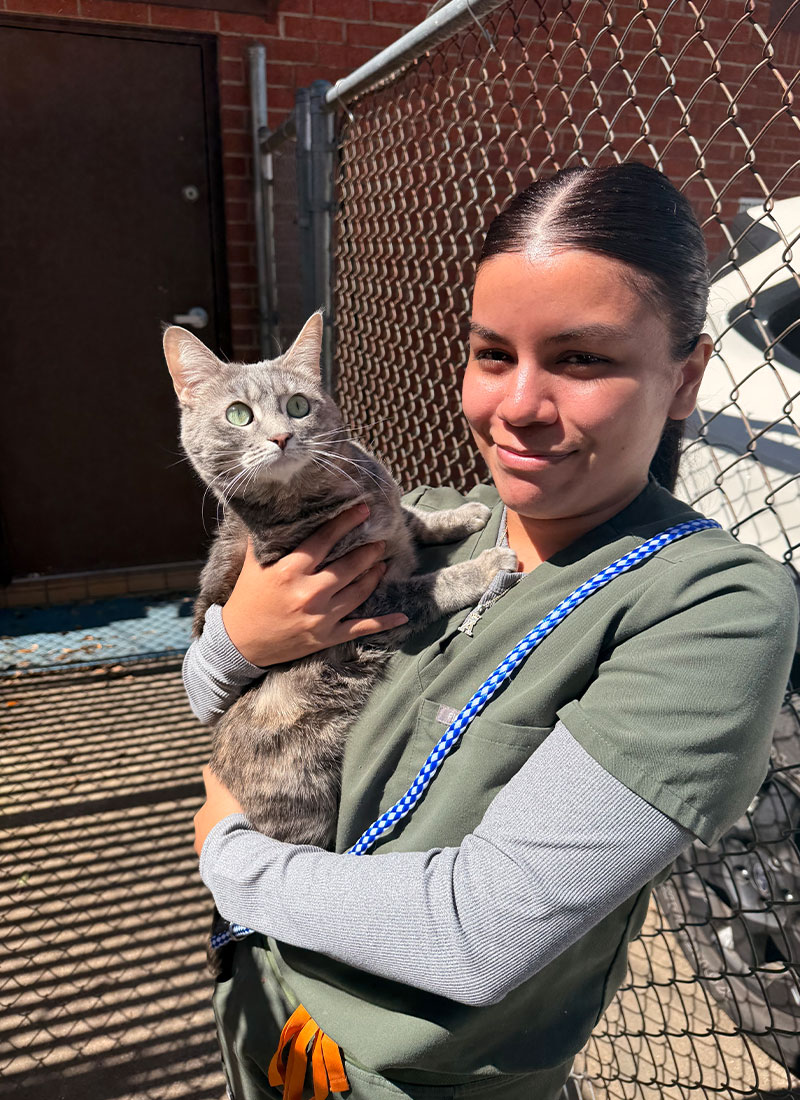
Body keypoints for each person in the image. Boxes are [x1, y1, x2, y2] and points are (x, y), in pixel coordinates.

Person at [185, 162, 797, 1100]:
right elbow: (212, 697)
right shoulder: (427, 520)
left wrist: (226, 855)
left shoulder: (710, 608)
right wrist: (241, 643)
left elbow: (476, 935)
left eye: (581, 359)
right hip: (261, 1007)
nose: (516, 407)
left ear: (685, 378)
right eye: (493, 354)